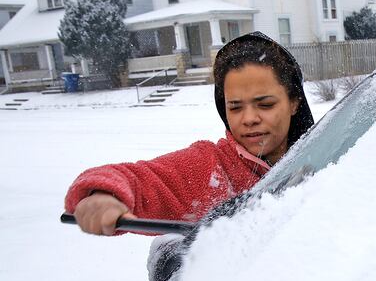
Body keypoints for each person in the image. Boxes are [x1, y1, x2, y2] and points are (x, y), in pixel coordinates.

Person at [64, 32, 314, 236]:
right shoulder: (211, 169)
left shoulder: (325, 152)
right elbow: (136, 178)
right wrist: (102, 195)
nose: (248, 119)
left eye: (265, 104)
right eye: (235, 107)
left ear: (294, 102)